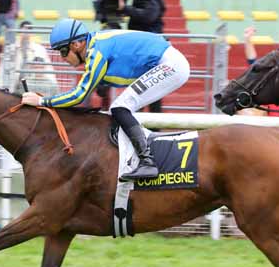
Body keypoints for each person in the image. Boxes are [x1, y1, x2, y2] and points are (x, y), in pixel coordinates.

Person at [20, 19, 190, 181]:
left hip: (170, 65)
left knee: (120, 107)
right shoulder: (96, 44)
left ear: (76, 44)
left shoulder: (97, 52)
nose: (63, 58)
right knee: (117, 108)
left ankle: (147, 162)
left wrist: (42, 102)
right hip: (167, 61)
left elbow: (79, 95)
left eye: (63, 51)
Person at [116, 0, 166, 113]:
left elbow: (149, 16)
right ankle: (142, 122)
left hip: (150, 47)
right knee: (143, 86)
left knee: (151, 88)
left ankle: (154, 126)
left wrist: (125, 8)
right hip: (143, 46)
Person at [0, 20, 57, 96]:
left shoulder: (39, 49)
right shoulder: (10, 49)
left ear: (31, 33)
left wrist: (53, 84)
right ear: (19, 32)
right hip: (13, 84)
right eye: (23, 31)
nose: (25, 34)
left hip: (30, 85)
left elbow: (47, 68)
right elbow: (2, 70)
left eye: (28, 31)